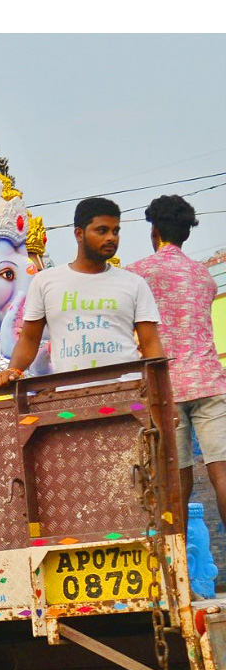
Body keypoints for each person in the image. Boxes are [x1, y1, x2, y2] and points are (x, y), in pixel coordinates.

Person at [0, 197, 164, 388]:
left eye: (115, 231)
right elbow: (30, 338)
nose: (111, 238)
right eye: (102, 230)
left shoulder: (134, 284)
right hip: (70, 401)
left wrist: (163, 395)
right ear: (79, 234)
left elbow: (151, 344)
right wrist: (13, 370)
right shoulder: (46, 282)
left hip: (129, 397)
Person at [126, 195, 226, 524]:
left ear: (154, 230)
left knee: (176, 480)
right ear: (186, 233)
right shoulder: (204, 276)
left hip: (165, 389)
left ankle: (177, 565)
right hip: (210, 381)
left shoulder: (138, 274)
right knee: (222, 474)